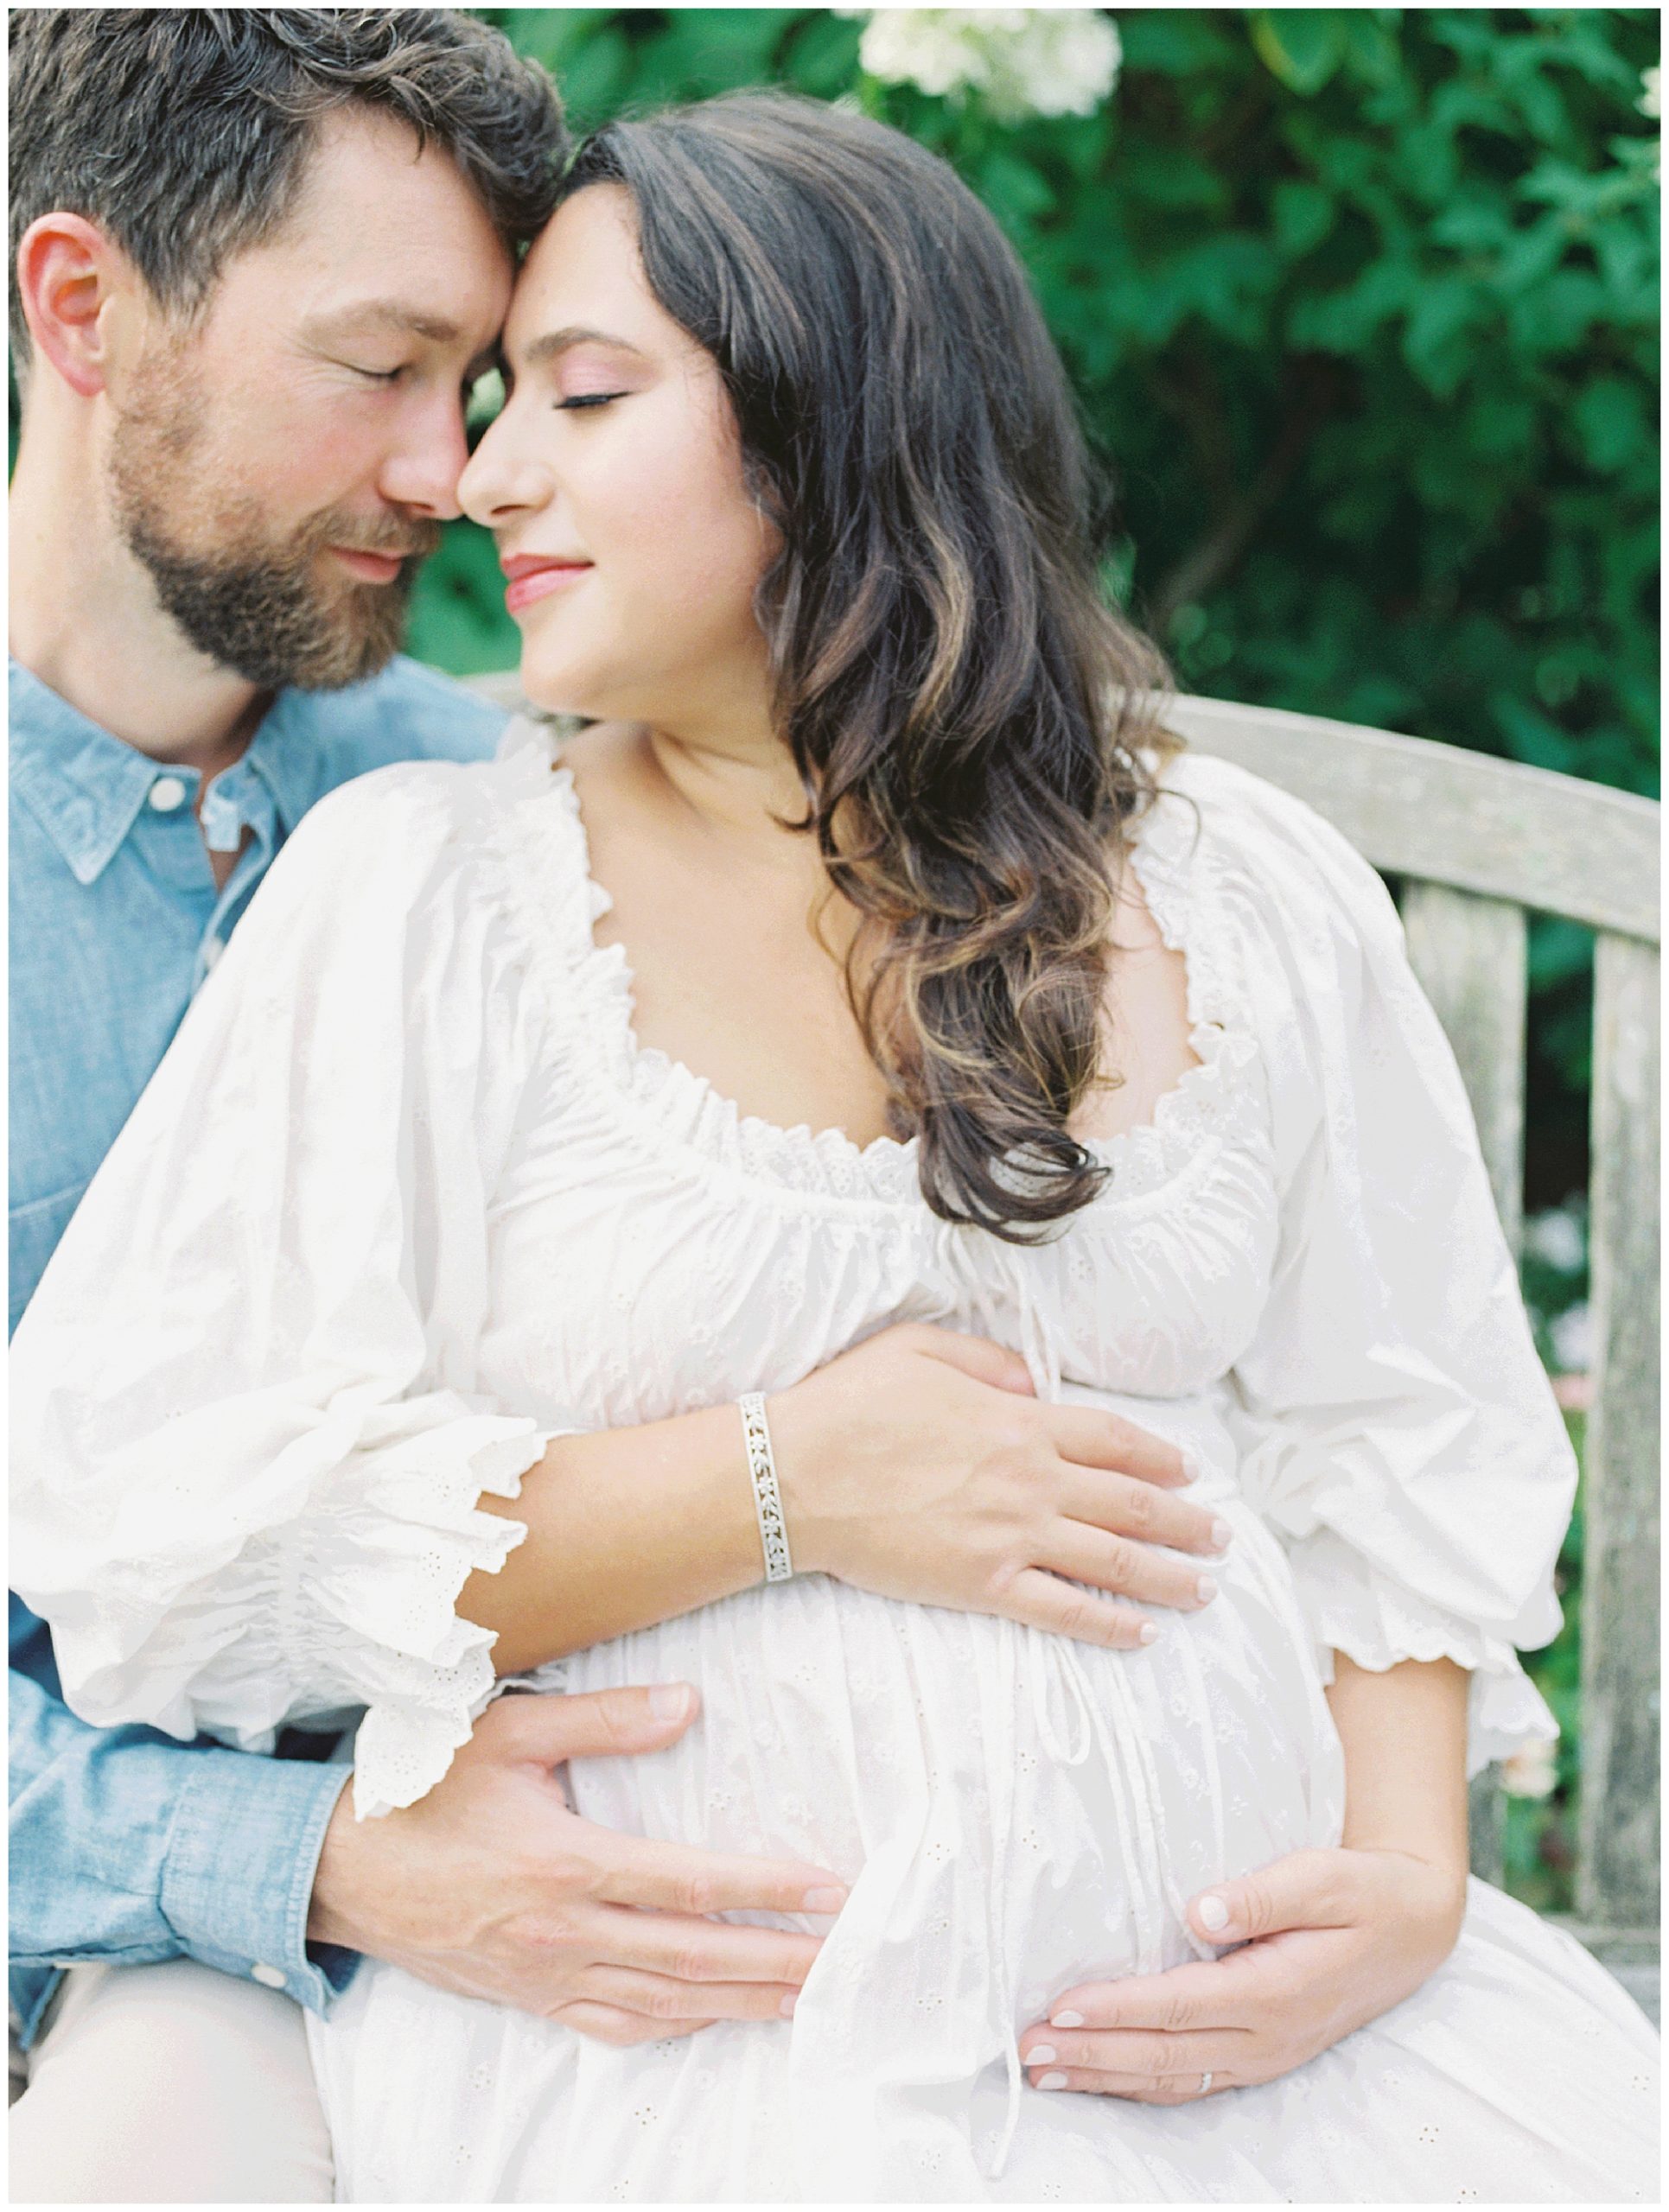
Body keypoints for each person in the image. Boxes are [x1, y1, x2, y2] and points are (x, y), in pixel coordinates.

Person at [16, 86, 1659, 2201]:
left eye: (573, 395)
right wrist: (792, 1485)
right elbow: (165, 1522)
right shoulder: (432, 880)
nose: (477, 473)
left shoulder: (1244, 886)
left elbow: (1401, 1418)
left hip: (1239, 2049)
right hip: (699, 2055)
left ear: (838, 421)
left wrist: (1408, 1875)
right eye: (442, 386)